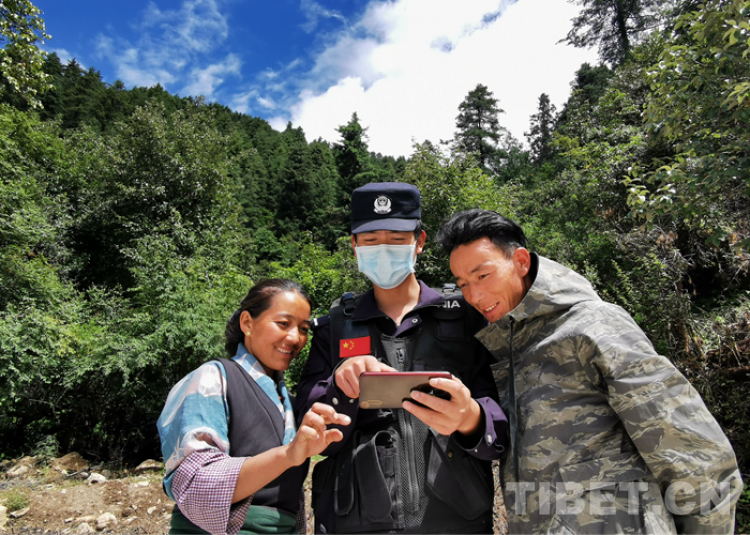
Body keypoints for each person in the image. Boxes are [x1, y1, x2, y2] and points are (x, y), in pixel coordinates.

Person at [437, 209, 743, 535]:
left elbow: (696, 456)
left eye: (483, 276)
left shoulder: (593, 327)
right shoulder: (513, 347)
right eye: (463, 284)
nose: (473, 295)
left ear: (521, 262)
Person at [295, 182, 508, 534]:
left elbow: (504, 419)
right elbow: (308, 426)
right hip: (356, 523)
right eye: (370, 240)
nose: (383, 250)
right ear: (354, 245)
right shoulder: (334, 328)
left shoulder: (466, 317)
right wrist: (340, 386)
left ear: (419, 241)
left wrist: (470, 418)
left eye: (396, 239)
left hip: (457, 523)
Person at [157, 279, 350, 535]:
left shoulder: (291, 405)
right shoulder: (212, 378)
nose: (295, 338)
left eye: (303, 329)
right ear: (247, 322)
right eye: (283, 323)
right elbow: (194, 484)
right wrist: (288, 454)